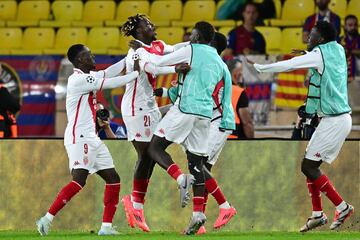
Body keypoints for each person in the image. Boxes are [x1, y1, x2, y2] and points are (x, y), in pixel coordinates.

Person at [250, 21, 354, 232]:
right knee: (309, 165)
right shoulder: (338, 49)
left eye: (312, 35)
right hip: (336, 117)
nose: (308, 38)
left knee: (308, 166)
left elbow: (289, 65)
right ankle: (317, 214)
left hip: (334, 120)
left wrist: (263, 68)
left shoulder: (319, 53)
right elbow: (324, 65)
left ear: (321, 39)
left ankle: (342, 207)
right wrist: (312, 53)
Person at [134, 21, 235, 234]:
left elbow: (158, 61)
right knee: (197, 163)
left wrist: (140, 52)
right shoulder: (220, 62)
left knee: (154, 148)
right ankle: (198, 214)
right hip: (205, 115)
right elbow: (220, 93)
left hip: (185, 109)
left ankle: (180, 178)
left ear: (198, 37)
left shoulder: (191, 50)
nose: (190, 39)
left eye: (193, 35)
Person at [36, 44, 140, 236]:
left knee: (113, 179)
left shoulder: (87, 77)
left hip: (91, 137)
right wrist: (136, 74)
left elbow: (108, 72)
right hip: (79, 137)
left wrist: (131, 56)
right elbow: (110, 82)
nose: (92, 57)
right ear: (79, 61)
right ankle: (46, 219)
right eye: (88, 55)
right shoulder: (77, 80)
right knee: (79, 180)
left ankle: (106, 228)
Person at [119, 14, 190, 232]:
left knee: (149, 156)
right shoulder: (136, 52)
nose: (153, 25)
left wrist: (192, 43)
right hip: (135, 108)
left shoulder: (156, 45)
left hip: (149, 105)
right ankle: (176, 180)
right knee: (148, 152)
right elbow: (153, 69)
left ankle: (136, 205)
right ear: (139, 31)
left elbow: (173, 48)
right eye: (147, 24)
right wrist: (175, 69)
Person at [226, 59, 254, 139]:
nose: (242, 74)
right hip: (233, 138)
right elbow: (247, 123)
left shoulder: (215, 89)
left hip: (214, 138)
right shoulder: (239, 92)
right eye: (241, 71)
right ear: (236, 73)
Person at [340, 15, 360, 82]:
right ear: (345, 26)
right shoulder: (339, 40)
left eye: (355, 25)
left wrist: (349, 51)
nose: (353, 27)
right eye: (350, 25)